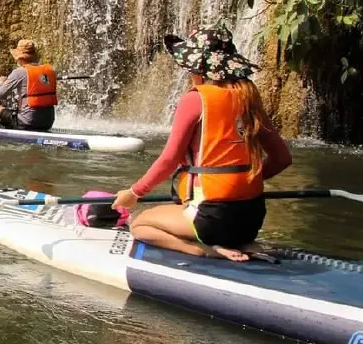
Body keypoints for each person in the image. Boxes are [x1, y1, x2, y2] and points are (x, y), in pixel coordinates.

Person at [112, 26, 293, 263]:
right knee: (200, 216)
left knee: (139, 224)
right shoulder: (249, 96)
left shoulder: (195, 100)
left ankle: (201, 249)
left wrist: (134, 193)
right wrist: (242, 181)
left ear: (199, 68)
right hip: (252, 219)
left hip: (211, 219)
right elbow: (282, 158)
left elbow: (169, 160)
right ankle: (241, 241)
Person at [0, 39, 56, 131]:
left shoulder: (19, 72)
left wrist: (1, 82)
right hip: (48, 122)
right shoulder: (49, 71)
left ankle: (10, 124)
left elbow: (0, 94)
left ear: (20, 58)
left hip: (27, 123)